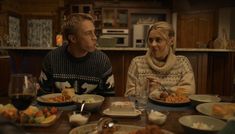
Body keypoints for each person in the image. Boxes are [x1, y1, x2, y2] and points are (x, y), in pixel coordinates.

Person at [38, 13, 115, 96]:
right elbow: (42, 95)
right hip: (61, 108)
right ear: (73, 38)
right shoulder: (52, 58)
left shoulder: (102, 60)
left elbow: (109, 97)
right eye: (88, 33)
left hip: (92, 108)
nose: (95, 37)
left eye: (94, 32)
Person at [125, 21, 195, 97]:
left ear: (171, 41)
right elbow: (128, 94)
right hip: (145, 108)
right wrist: (147, 88)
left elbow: (189, 91)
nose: (153, 44)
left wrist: (161, 91)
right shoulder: (137, 62)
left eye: (158, 40)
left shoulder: (182, 62)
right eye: (150, 40)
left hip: (174, 108)